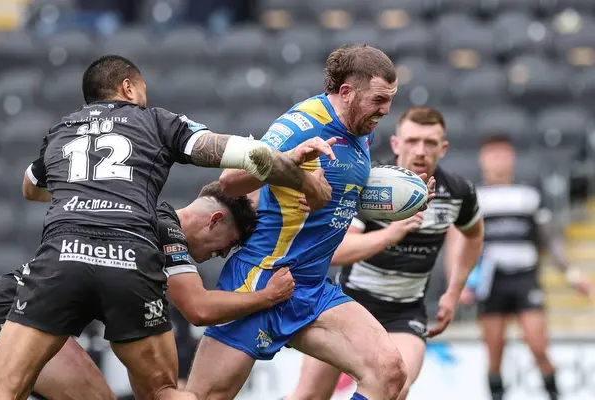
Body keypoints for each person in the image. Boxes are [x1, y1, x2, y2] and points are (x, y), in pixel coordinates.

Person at [0, 55, 335, 399]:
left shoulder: (63, 130)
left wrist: (83, 192)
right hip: (126, 256)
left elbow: (29, 187)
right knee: (162, 391)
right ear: (128, 88)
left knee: (8, 388)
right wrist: (299, 174)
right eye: (143, 88)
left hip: (61, 260)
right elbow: (248, 155)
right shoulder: (156, 122)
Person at [185, 44, 435, 400]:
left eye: (390, 99)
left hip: (312, 289)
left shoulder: (362, 128)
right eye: (380, 99)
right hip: (262, 278)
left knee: (389, 373)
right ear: (346, 91)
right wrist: (288, 162)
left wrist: (403, 200)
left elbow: (344, 194)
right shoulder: (301, 124)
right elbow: (230, 182)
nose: (387, 109)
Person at [0, 181, 298, 400]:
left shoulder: (144, 224)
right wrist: (267, 296)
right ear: (215, 220)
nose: (219, 254)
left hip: (24, 306)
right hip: (12, 310)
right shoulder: (163, 229)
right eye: (227, 245)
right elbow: (199, 308)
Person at [286, 106, 484, 400]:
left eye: (430, 143)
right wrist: (392, 233)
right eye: (412, 140)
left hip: (404, 313)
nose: (420, 150)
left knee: (395, 387)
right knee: (309, 396)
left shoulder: (457, 192)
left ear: (443, 149)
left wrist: (454, 291)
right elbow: (338, 251)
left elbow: (474, 234)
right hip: (349, 303)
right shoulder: (370, 183)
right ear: (395, 144)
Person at [459, 134, 593, 400]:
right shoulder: (474, 198)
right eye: (492, 155)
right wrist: (462, 283)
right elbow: (464, 247)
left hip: (525, 279)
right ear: (482, 160)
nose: (498, 161)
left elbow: (550, 240)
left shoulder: (528, 195)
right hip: (491, 282)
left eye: (503, 154)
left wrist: (572, 274)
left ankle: (554, 394)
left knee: (538, 345)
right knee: (494, 352)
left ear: (512, 158)